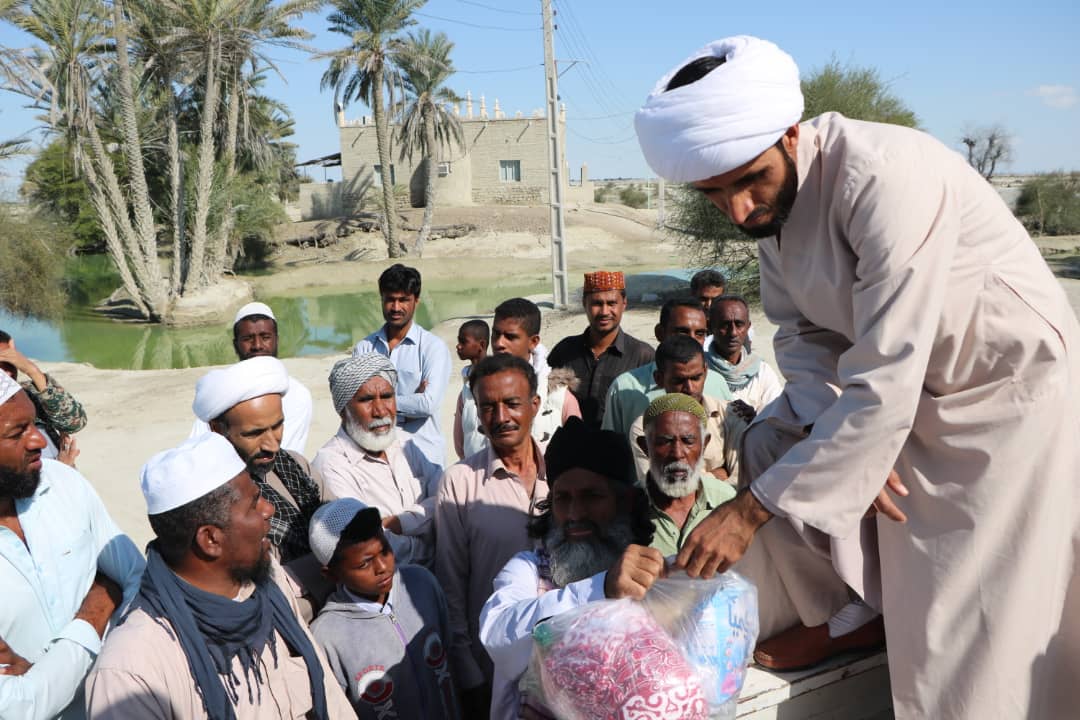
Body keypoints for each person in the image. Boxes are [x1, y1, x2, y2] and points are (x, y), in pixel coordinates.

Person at [635, 35, 1080, 717]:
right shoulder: (775, 213)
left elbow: (889, 369)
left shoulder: (881, 176)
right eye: (714, 194)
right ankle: (848, 616)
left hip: (1001, 399)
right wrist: (832, 433)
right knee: (770, 443)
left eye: (752, 180)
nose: (740, 210)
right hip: (899, 394)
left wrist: (751, 510)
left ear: (790, 134)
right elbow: (803, 337)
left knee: (971, 626)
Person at [85, 433, 353, 719]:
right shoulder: (132, 670)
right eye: (253, 504)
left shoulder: (267, 579)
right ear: (210, 540)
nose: (269, 509)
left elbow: (329, 695)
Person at [479, 417, 660, 720]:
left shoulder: (647, 571)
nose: (575, 514)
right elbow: (499, 640)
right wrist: (600, 589)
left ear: (625, 501)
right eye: (563, 499)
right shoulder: (528, 570)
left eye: (592, 496)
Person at [0, 373, 144, 720]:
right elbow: (18, 707)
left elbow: (139, 582)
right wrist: (100, 603)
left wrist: (48, 677)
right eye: (17, 432)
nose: (38, 440)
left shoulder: (63, 483)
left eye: (34, 423)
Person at [434, 354, 549, 719]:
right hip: (494, 667)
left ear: (535, 405)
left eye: (512, 404)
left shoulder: (566, 474)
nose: (501, 418)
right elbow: (452, 583)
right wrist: (468, 672)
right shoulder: (460, 482)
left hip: (564, 658)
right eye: (488, 407)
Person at [193, 356, 327, 619]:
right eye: (254, 433)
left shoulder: (295, 465)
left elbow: (345, 533)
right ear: (217, 429)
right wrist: (329, 580)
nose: (272, 445)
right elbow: (258, 607)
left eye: (277, 426)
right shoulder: (210, 501)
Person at [308, 498, 461, 720]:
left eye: (385, 551)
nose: (382, 567)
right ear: (331, 574)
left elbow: (450, 649)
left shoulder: (421, 583)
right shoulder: (327, 636)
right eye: (364, 564)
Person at [312, 354, 441, 567]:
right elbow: (372, 545)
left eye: (387, 396)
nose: (381, 411)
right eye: (366, 400)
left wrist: (399, 522)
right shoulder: (331, 465)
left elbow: (446, 500)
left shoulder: (404, 442)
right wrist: (433, 541)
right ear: (344, 411)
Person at [353, 264, 452, 467]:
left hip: (424, 456)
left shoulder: (432, 348)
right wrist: (411, 401)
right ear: (381, 299)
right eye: (390, 299)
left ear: (416, 301)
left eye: (403, 300)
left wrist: (374, 401)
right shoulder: (364, 348)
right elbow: (353, 405)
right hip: (376, 457)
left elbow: (428, 404)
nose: (396, 307)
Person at [192, 302, 313, 455]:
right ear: (236, 345)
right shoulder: (220, 393)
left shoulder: (296, 394)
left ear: (277, 340)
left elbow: (281, 454)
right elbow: (199, 446)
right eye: (248, 338)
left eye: (265, 337)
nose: (257, 345)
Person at [602, 298, 733, 438]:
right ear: (660, 333)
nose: (691, 340)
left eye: (700, 334)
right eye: (682, 332)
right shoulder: (623, 388)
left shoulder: (717, 383)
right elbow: (611, 449)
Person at [628, 337, 747, 486]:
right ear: (659, 379)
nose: (690, 389)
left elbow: (740, 481)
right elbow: (659, 487)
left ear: (705, 371)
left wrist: (695, 479)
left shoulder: (731, 414)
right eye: (679, 381)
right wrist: (717, 474)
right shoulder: (643, 428)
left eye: (696, 378)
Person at [547, 271, 654, 429]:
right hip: (570, 448)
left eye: (611, 303)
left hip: (621, 450)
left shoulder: (643, 356)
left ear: (624, 303)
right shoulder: (564, 351)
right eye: (597, 303)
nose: (604, 312)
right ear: (585, 303)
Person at [636, 393, 736, 557]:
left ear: (704, 445)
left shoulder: (727, 501)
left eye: (688, 441)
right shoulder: (626, 507)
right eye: (664, 441)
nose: (677, 454)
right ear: (645, 447)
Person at [491, 298, 581, 443]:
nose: (499, 343)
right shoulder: (473, 390)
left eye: (510, 337)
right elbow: (464, 445)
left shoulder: (558, 396)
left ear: (533, 342)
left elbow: (577, 448)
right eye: (495, 334)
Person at [0, 329, 85, 466]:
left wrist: (32, 371)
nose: (7, 373)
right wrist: (62, 468)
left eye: (11, 364)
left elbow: (74, 423)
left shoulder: (28, 394)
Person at [706, 295, 782, 410]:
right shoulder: (700, 371)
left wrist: (754, 418)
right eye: (725, 325)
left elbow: (775, 414)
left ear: (748, 326)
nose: (733, 333)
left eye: (739, 324)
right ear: (710, 327)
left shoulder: (761, 371)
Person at [454, 319, 490, 459]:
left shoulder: (496, 382)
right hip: (471, 466)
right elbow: (459, 436)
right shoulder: (465, 389)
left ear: (481, 345)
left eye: (464, 342)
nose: (458, 346)